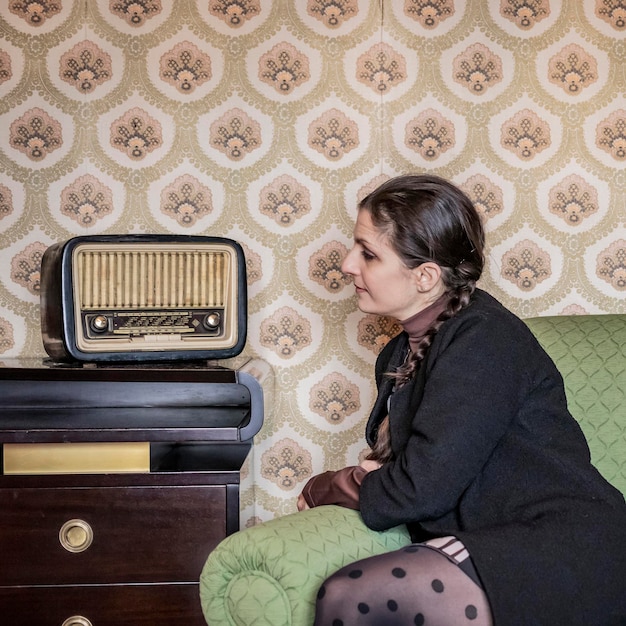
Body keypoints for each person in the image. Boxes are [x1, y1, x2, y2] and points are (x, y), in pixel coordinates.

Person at [297, 174, 626, 625]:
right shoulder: (397, 353)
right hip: (494, 540)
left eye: (368, 253)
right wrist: (380, 480)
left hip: (564, 547)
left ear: (426, 276)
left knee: (352, 594)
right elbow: (413, 480)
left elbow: (420, 488)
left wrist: (327, 485)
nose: (348, 264)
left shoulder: (484, 338)